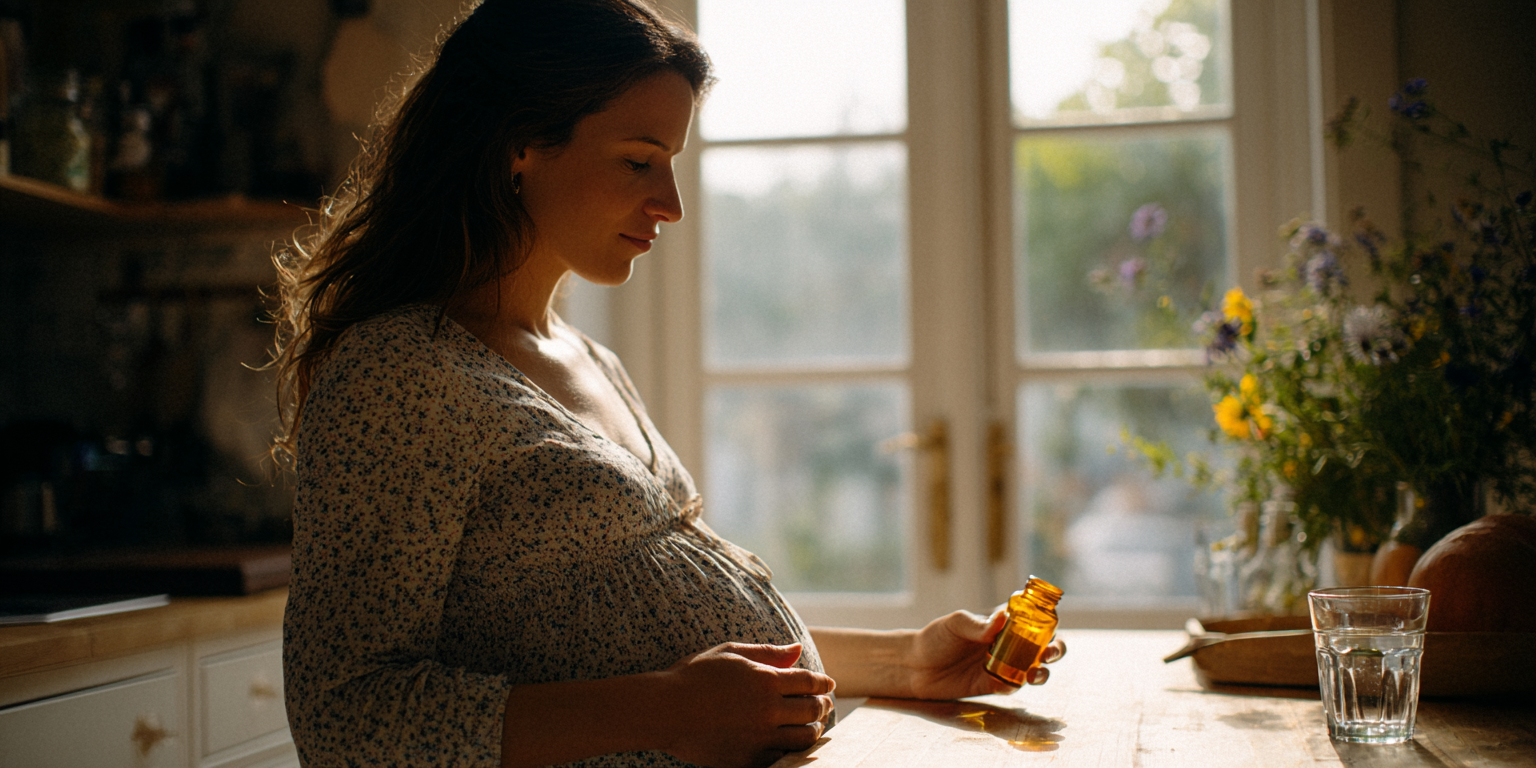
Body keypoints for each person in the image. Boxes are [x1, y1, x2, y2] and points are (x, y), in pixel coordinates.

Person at [271, 1, 1065, 766]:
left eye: (673, 164)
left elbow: (637, 636)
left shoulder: (586, 359)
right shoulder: (401, 378)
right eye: (638, 160)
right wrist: (668, 711)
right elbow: (344, 716)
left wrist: (909, 663)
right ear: (519, 144)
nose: (672, 204)